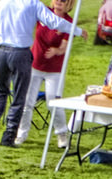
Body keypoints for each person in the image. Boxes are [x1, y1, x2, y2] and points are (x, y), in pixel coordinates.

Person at [0, 0, 81, 146]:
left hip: (5, 53)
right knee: (21, 98)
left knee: (1, 92)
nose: (59, 1)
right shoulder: (34, 5)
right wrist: (79, 31)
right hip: (24, 57)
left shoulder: (3, 3)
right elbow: (54, 23)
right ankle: (12, 136)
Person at [16, 0, 73, 146]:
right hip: (34, 65)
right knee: (27, 101)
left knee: (53, 103)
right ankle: (21, 134)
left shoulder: (68, 22)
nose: (59, 2)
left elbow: (64, 46)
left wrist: (57, 51)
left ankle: (62, 134)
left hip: (54, 70)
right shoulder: (43, 12)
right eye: (57, 0)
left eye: (64, 0)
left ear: (69, 4)